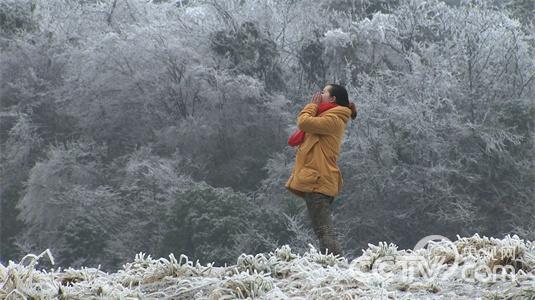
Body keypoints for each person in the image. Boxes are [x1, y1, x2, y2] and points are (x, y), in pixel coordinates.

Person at [285, 84, 357, 257]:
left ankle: (336, 264)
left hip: (319, 179)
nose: (319, 94)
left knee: (324, 230)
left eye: (324, 92)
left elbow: (304, 122)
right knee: (322, 229)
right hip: (317, 178)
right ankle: (332, 263)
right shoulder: (327, 116)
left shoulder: (334, 119)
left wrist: (311, 106)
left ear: (332, 99)